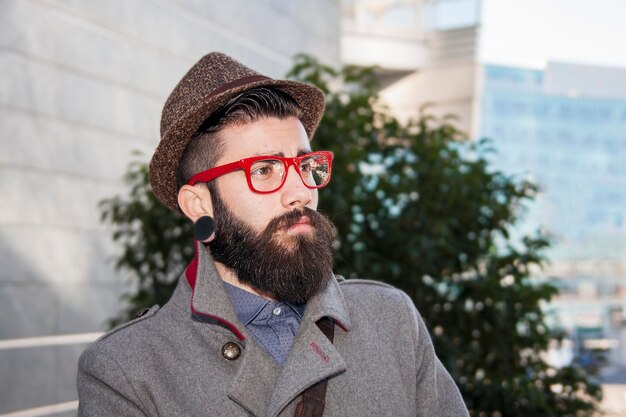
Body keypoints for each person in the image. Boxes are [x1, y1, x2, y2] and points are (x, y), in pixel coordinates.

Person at [77, 52, 469, 417]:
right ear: (199, 204)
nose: (301, 191)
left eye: (305, 164)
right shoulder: (127, 373)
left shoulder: (392, 321)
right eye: (264, 170)